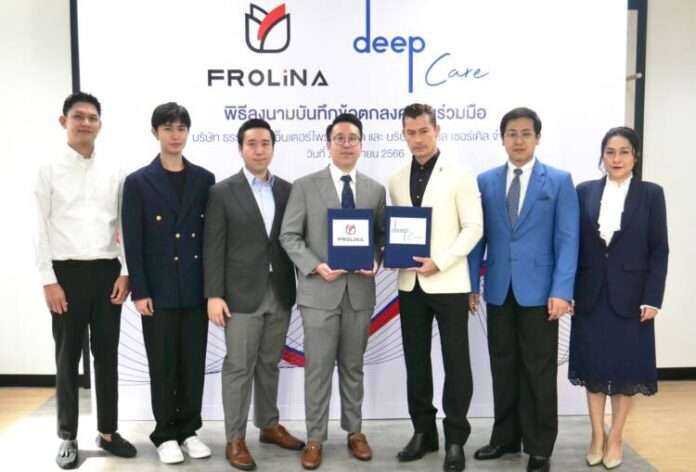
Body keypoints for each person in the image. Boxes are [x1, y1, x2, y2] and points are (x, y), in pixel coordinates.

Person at [468, 107, 579, 472]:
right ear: (502, 139)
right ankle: (505, 438)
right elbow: (478, 238)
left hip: (542, 293)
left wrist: (562, 291)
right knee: (503, 366)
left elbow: (568, 240)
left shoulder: (559, 181)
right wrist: (471, 285)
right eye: (511, 133)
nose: (518, 140)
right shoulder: (485, 181)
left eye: (525, 133)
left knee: (539, 370)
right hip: (499, 289)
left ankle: (539, 446)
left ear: (538, 138)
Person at [34, 92, 137, 469]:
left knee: (107, 355)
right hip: (66, 275)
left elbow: (124, 224)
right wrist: (48, 279)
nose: (86, 123)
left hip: (107, 273)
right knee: (67, 358)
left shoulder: (114, 169)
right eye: (78, 116)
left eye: (92, 117)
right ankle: (67, 435)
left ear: (100, 124)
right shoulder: (47, 168)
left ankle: (108, 432)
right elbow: (39, 227)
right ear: (64, 121)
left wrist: (126, 271)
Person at [279, 113, 386, 470]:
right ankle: (315, 438)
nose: (346, 144)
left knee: (353, 367)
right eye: (339, 138)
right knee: (318, 370)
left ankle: (355, 432)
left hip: (359, 294)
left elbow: (381, 237)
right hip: (318, 294)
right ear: (328, 144)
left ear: (361, 145)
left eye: (352, 138)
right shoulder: (305, 186)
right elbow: (289, 236)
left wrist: (376, 259)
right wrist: (315, 265)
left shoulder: (374, 190)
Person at [203, 118, 304, 470]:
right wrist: (213, 295)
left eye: (265, 144)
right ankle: (235, 438)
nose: (259, 150)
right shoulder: (222, 192)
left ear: (273, 148)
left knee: (269, 364)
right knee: (238, 367)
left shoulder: (288, 190)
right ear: (240, 148)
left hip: (280, 292)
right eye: (252, 144)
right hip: (240, 296)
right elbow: (213, 247)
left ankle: (269, 425)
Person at [388, 103, 482, 472]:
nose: (418, 139)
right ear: (403, 134)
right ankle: (423, 432)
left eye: (423, 131)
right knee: (416, 361)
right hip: (410, 284)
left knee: (456, 363)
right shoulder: (396, 179)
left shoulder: (459, 175)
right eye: (410, 133)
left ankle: (455, 438)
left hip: (449, 281)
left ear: (436, 130)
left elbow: (474, 227)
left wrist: (440, 261)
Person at [568, 127, 668, 469]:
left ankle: (616, 437)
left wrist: (653, 298)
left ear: (635, 156)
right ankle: (597, 435)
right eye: (610, 152)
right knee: (594, 369)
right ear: (602, 156)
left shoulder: (651, 194)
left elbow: (659, 250)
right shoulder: (584, 191)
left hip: (633, 298)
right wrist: (568, 290)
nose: (616, 158)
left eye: (624, 152)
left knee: (626, 372)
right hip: (590, 295)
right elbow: (574, 245)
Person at [121, 102, 215, 464]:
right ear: (155, 132)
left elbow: (210, 239)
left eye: (180, 128)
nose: (175, 135)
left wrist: (212, 290)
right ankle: (165, 434)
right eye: (167, 128)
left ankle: (189, 430)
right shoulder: (138, 182)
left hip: (194, 289)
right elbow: (133, 241)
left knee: (192, 363)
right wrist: (140, 290)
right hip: (158, 291)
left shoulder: (204, 179)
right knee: (162, 365)